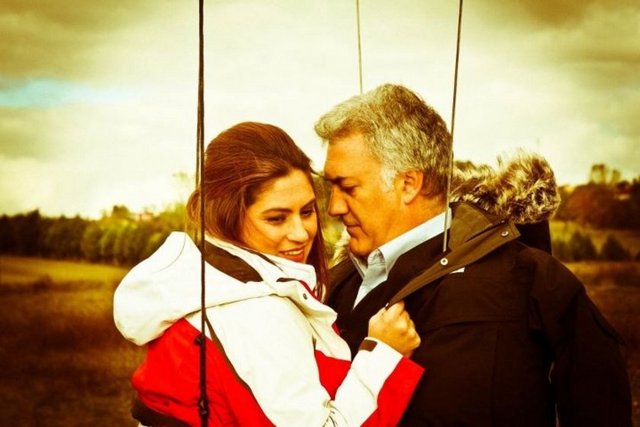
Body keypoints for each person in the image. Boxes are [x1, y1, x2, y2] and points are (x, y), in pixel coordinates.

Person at [315, 83, 633, 426]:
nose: (333, 207)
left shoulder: (533, 280)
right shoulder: (327, 284)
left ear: (408, 184)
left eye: (348, 188)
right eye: (331, 188)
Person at [113, 121, 424, 427]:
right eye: (276, 218)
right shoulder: (252, 313)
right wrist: (384, 354)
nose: (301, 233)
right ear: (227, 215)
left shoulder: (212, 282)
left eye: (306, 211)